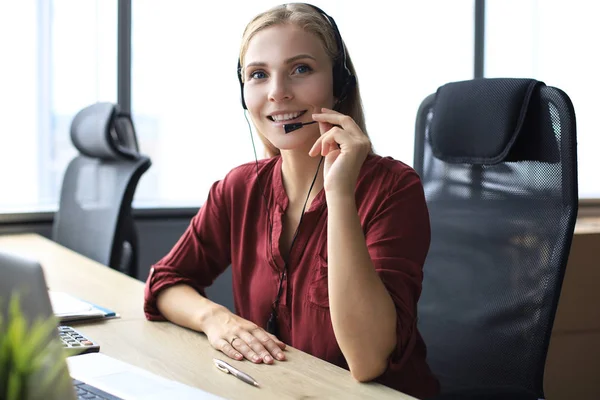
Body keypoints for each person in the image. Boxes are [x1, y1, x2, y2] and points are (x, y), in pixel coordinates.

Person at [143, 3, 439, 398]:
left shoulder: (393, 189)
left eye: (301, 69)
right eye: (258, 75)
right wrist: (216, 319)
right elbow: (164, 283)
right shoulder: (241, 188)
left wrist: (339, 195)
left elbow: (367, 361)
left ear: (340, 83)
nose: (278, 92)